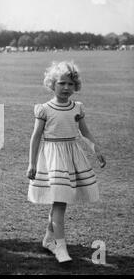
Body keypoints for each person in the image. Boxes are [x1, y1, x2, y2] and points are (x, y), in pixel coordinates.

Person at [26, 61, 106, 263]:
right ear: (52, 84)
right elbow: (36, 137)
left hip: (72, 157)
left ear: (76, 86)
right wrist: (32, 164)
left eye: (71, 84)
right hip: (52, 159)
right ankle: (60, 248)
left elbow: (84, 131)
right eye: (62, 83)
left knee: (60, 202)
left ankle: (48, 239)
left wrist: (95, 148)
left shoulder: (77, 107)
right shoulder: (44, 109)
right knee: (60, 203)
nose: (66, 88)